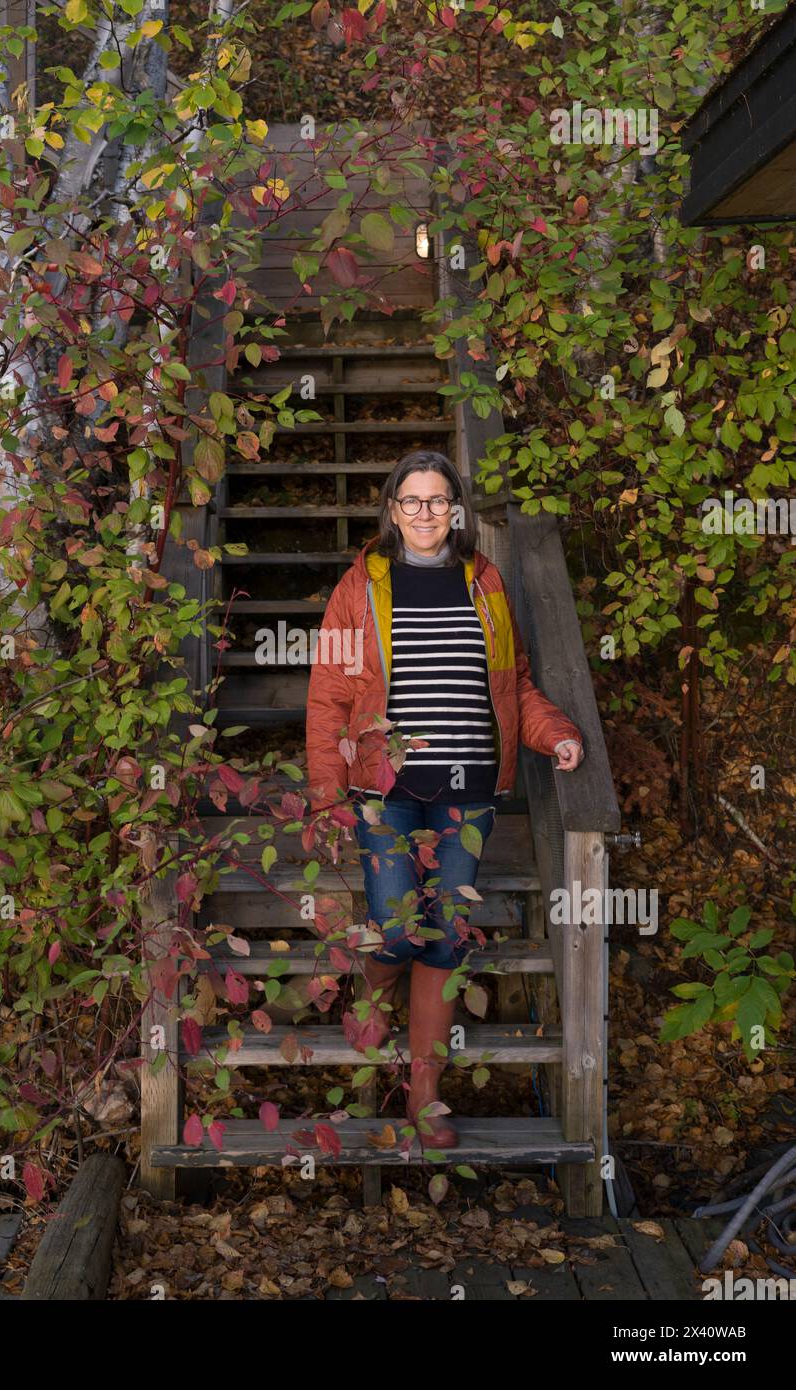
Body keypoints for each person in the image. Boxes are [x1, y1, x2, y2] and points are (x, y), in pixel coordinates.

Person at [305, 450, 585, 1147]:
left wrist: (556, 737)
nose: (425, 514)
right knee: (400, 928)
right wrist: (325, 793)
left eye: (437, 501)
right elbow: (330, 696)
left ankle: (423, 1092)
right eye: (412, 501)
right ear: (392, 510)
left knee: (446, 936)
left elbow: (511, 681)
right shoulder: (358, 588)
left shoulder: (484, 583)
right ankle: (368, 994)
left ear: (455, 511)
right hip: (384, 791)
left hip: (469, 793)